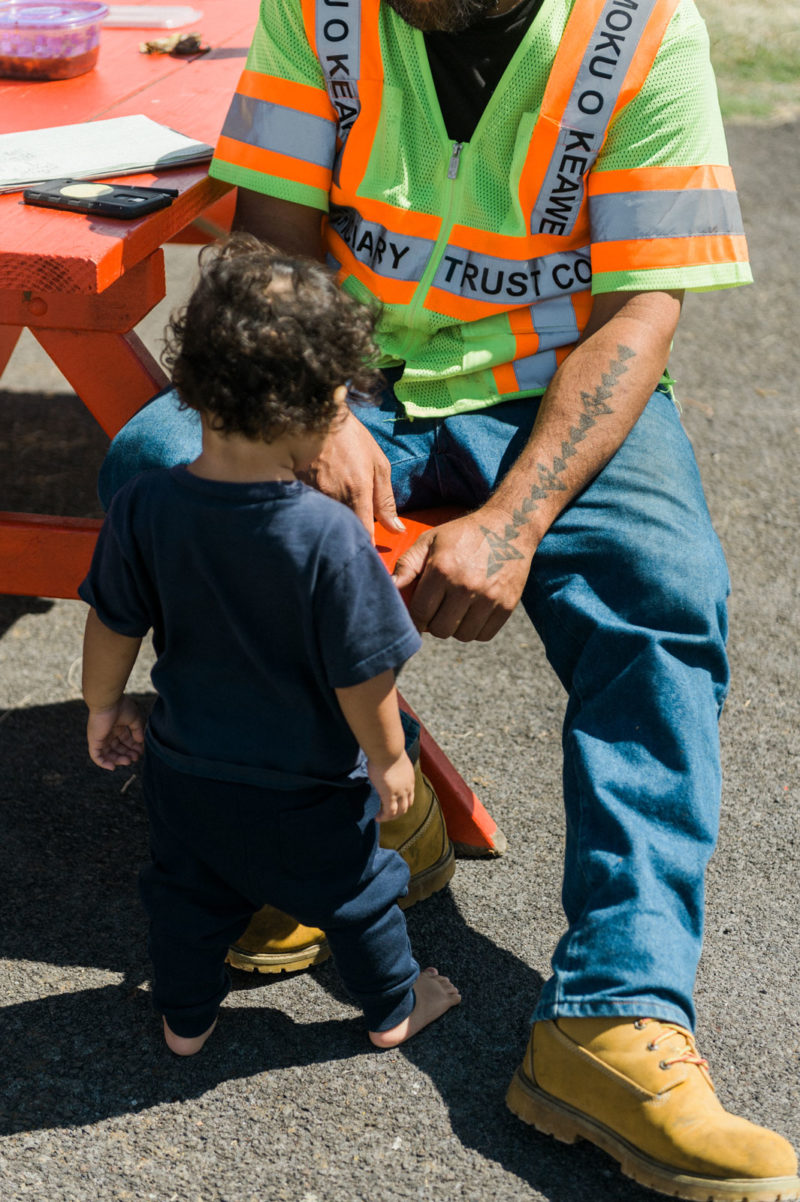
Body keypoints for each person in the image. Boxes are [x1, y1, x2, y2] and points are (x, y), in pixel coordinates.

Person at [97, 0, 800, 1195]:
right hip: (354, 375)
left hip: (550, 385)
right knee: (161, 471)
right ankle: (337, 813)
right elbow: (276, 238)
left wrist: (511, 522)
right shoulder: (318, 10)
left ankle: (611, 1014)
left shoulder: (637, 29)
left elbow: (640, 306)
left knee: (660, 594)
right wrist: (316, 408)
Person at [79, 236, 461, 1056]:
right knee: (357, 894)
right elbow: (365, 675)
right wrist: (391, 761)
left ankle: (186, 1021)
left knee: (185, 896)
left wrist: (103, 707)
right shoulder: (328, 536)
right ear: (326, 407)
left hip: (184, 770)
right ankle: (395, 1006)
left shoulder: (147, 507)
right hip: (308, 787)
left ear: (191, 388)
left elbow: (113, 621)